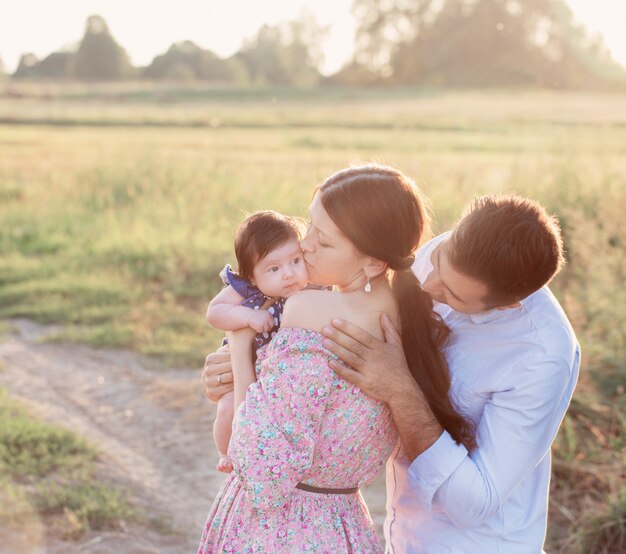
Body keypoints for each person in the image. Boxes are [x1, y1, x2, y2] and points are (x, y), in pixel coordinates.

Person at [198, 164, 475, 553]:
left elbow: (262, 474)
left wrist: (239, 344)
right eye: (309, 226)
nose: (305, 245)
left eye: (324, 242)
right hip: (344, 527)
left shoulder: (311, 310)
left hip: (279, 532)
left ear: (373, 263)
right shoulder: (408, 318)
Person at [321, 195, 581, 553]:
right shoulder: (446, 256)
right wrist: (244, 359)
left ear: (507, 305)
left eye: (453, 295)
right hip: (401, 536)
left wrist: (399, 389)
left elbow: (473, 504)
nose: (430, 286)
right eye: (439, 262)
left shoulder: (542, 355)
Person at [206, 210, 309, 472]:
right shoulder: (246, 289)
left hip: (274, 377)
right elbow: (215, 312)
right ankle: (225, 451)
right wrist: (249, 316)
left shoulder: (312, 289)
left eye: (295, 261)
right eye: (273, 268)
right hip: (244, 367)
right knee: (227, 406)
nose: (288, 274)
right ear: (251, 275)